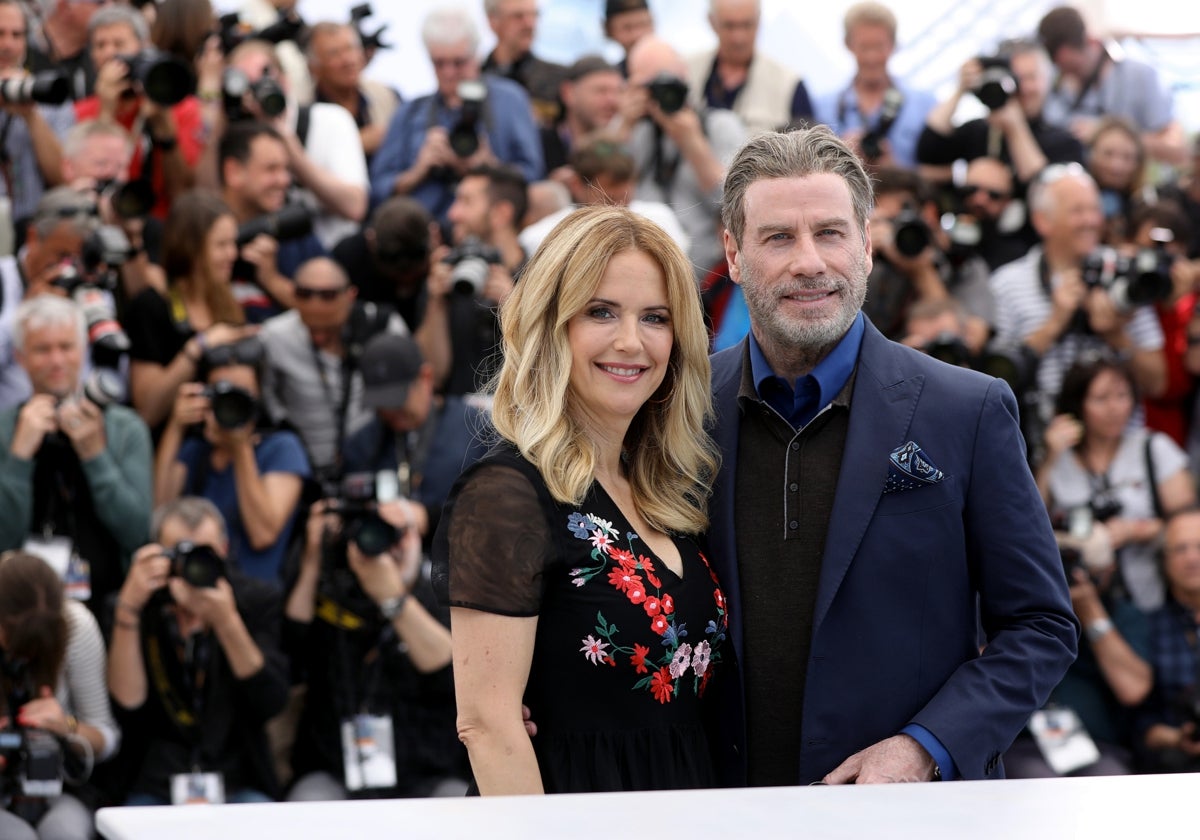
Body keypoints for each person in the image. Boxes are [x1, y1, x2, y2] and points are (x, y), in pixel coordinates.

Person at [707, 125, 1078, 785]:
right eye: (778, 238)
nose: (809, 262)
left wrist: (926, 747)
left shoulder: (968, 409)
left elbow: (1041, 626)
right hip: (714, 808)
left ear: (868, 246)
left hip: (906, 814)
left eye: (829, 233)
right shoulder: (680, 408)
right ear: (733, 254)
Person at [433, 205, 725, 794]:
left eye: (655, 318)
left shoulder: (666, 491)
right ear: (551, 325)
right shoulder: (505, 497)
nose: (630, 342)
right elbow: (488, 726)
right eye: (601, 312)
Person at [108, 497, 289, 805]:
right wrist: (129, 610)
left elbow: (271, 701)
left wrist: (226, 621)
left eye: (205, 552)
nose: (194, 565)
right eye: (182, 552)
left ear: (224, 549)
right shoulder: (138, 604)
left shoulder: (255, 600)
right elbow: (128, 704)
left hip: (237, 778)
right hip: (156, 780)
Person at [0, 295, 152, 630]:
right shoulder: (5, 429)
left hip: (108, 605)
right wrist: (19, 458)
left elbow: (137, 532)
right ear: (20, 358)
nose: (57, 361)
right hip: (18, 614)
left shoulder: (125, 428)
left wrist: (96, 455)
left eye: (66, 347)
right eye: (42, 350)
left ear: (83, 351)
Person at [1038, 358, 1195, 613]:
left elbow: (1189, 522)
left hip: (1147, 597)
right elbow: (1032, 519)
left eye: (1122, 396)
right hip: (1075, 597)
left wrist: (1138, 530)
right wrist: (1049, 458)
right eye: (1101, 399)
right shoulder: (1059, 458)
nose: (1114, 408)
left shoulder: (1154, 447)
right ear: (1078, 405)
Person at [154, 336, 309, 584]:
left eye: (242, 394)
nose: (231, 404)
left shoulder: (282, 448)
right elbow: (161, 511)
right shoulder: (196, 451)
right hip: (199, 589)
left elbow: (263, 534)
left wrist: (241, 448)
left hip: (256, 600)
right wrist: (176, 425)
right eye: (222, 392)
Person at [368, 6, 543, 226]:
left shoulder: (510, 100)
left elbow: (534, 177)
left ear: (476, 57)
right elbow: (377, 190)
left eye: (458, 63)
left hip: (493, 229)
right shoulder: (409, 113)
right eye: (439, 63)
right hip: (423, 231)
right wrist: (417, 171)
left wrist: (489, 166)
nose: (449, 73)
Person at [0, 550, 119, 840]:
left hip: (57, 788)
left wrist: (67, 727)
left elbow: (108, 738)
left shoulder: (77, 627)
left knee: (66, 834)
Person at [259, 257, 407, 480]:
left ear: (350, 296)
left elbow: (413, 388)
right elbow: (266, 398)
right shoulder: (274, 337)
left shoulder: (382, 326)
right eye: (311, 328)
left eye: (329, 330)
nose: (319, 337)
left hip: (372, 463)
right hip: (304, 468)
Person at [121, 189, 256, 433]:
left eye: (233, 243)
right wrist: (199, 347)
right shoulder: (152, 307)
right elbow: (147, 410)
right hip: (172, 449)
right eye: (221, 245)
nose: (232, 254)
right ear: (190, 247)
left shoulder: (226, 300)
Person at [613, 35, 745, 280]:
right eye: (650, 86)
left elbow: (735, 204)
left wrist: (693, 143)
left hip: (706, 281)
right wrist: (623, 126)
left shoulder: (719, 126)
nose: (662, 95)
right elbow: (599, 187)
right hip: (639, 274)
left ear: (685, 76)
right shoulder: (634, 130)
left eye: (668, 83)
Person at [916, 39, 1084, 189]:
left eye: (1031, 78)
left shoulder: (1064, 141)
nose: (1024, 88)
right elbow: (927, 153)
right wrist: (960, 90)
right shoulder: (978, 131)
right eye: (1017, 79)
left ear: (1047, 79)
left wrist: (1015, 128)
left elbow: (1046, 190)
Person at [1037, 5, 1185, 166]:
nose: (1067, 74)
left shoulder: (1141, 76)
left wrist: (1105, 135)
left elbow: (1176, 151)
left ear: (1090, 41)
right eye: (1062, 68)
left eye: (1074, 67)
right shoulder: (1054, 82)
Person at [812, 1, 935, 171]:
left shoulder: (925, 105)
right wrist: (840, 154)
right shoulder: (822, 108)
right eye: (864, 47)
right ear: (848, 45)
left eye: (879, 46)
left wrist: (894, 170)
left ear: (893, 45)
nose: (872, 58)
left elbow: (947, 173)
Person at [0, 0, 73, 247]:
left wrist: (30, 115)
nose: (7, 45)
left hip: (33, 233)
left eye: (16, 35)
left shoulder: (49, 98)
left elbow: (64, 177)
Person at [684, 0, 814, 136]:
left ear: (759, 21)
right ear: (712, 22)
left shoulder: (789, 85)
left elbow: (810, 149)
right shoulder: (685, 72)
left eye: (746, 25)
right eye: (729, 26)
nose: (738, 38)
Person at [481, 0, 566, 130]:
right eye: (518, 16)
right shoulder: (475, 79)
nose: (529, 24)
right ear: (493, 21)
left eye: (534, 15)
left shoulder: (560, 80)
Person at [1085, 116, 1150, 245]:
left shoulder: (1144, 204)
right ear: (1091, 154)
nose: (1116, 166)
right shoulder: (1075, 198)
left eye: (1127, 157)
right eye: (1108, 154)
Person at [602, 0, 653, 79]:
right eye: (627, 28)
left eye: (642, 24)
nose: (637, 35)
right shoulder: (610, 80)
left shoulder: (675, 67)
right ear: (609, 30)